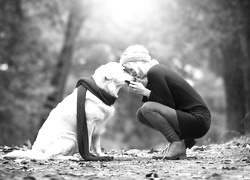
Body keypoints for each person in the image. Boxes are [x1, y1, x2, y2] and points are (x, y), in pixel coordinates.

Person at [119, 45, 211, 160]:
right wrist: (145, 89)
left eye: (130, 69)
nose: (132, 74)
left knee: (147, 108)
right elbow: (167, 103)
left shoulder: (155, 72)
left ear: (137, 64)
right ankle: (182, 141)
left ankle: (176, 143)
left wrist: (145, 92)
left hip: (198, 120)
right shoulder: (154, 72)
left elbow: (169, 104)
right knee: (141, 114)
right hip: (191, 118)